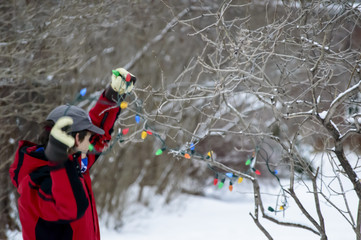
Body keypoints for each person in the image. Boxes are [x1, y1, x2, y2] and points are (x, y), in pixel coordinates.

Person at [9, 68, 136, 240]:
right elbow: (71, 207)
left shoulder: (73, 163)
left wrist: (113, 94)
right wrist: (59, 159)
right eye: (87, 137)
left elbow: (98, 134)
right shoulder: (39, 183)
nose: (91, 143)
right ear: (77, 138)